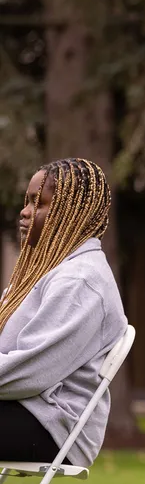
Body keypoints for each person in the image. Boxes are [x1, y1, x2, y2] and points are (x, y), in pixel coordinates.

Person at [0, 159, 126, 466]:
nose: (25, 212)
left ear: (73, 213)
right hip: (23, 409)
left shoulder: (80, 280)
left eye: (38, 203)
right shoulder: (46, 272)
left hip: (52, 426)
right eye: (27, 201)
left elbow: (30, 372)